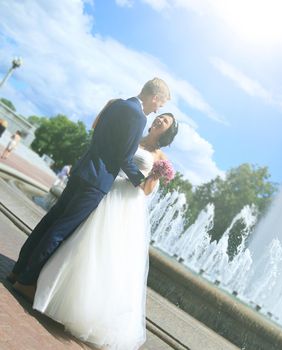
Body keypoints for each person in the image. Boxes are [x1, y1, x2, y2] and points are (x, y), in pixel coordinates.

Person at [8, 78, 171, 301]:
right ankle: (26, 282)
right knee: (59, 231)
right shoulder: (138, 116)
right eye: (160, 103)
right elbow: (124, 156)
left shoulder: (117, 104)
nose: (158, 109)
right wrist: (139, 180)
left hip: (83, 170)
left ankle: (17, 270)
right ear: (154, 98)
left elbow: (96, 132)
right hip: (96, 181)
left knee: (50, 221)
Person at [33, 113, 178, 349]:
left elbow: (147, 191)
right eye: (161, 117)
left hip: (128, 202)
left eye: (166, 122)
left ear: (167, 132)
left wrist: (154, 174)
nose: (160, 120)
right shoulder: (134, 138)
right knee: (83, 239)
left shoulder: (161, 157)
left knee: (108, 253)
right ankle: (54, 294)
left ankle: (85, 310)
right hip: (108, 186)